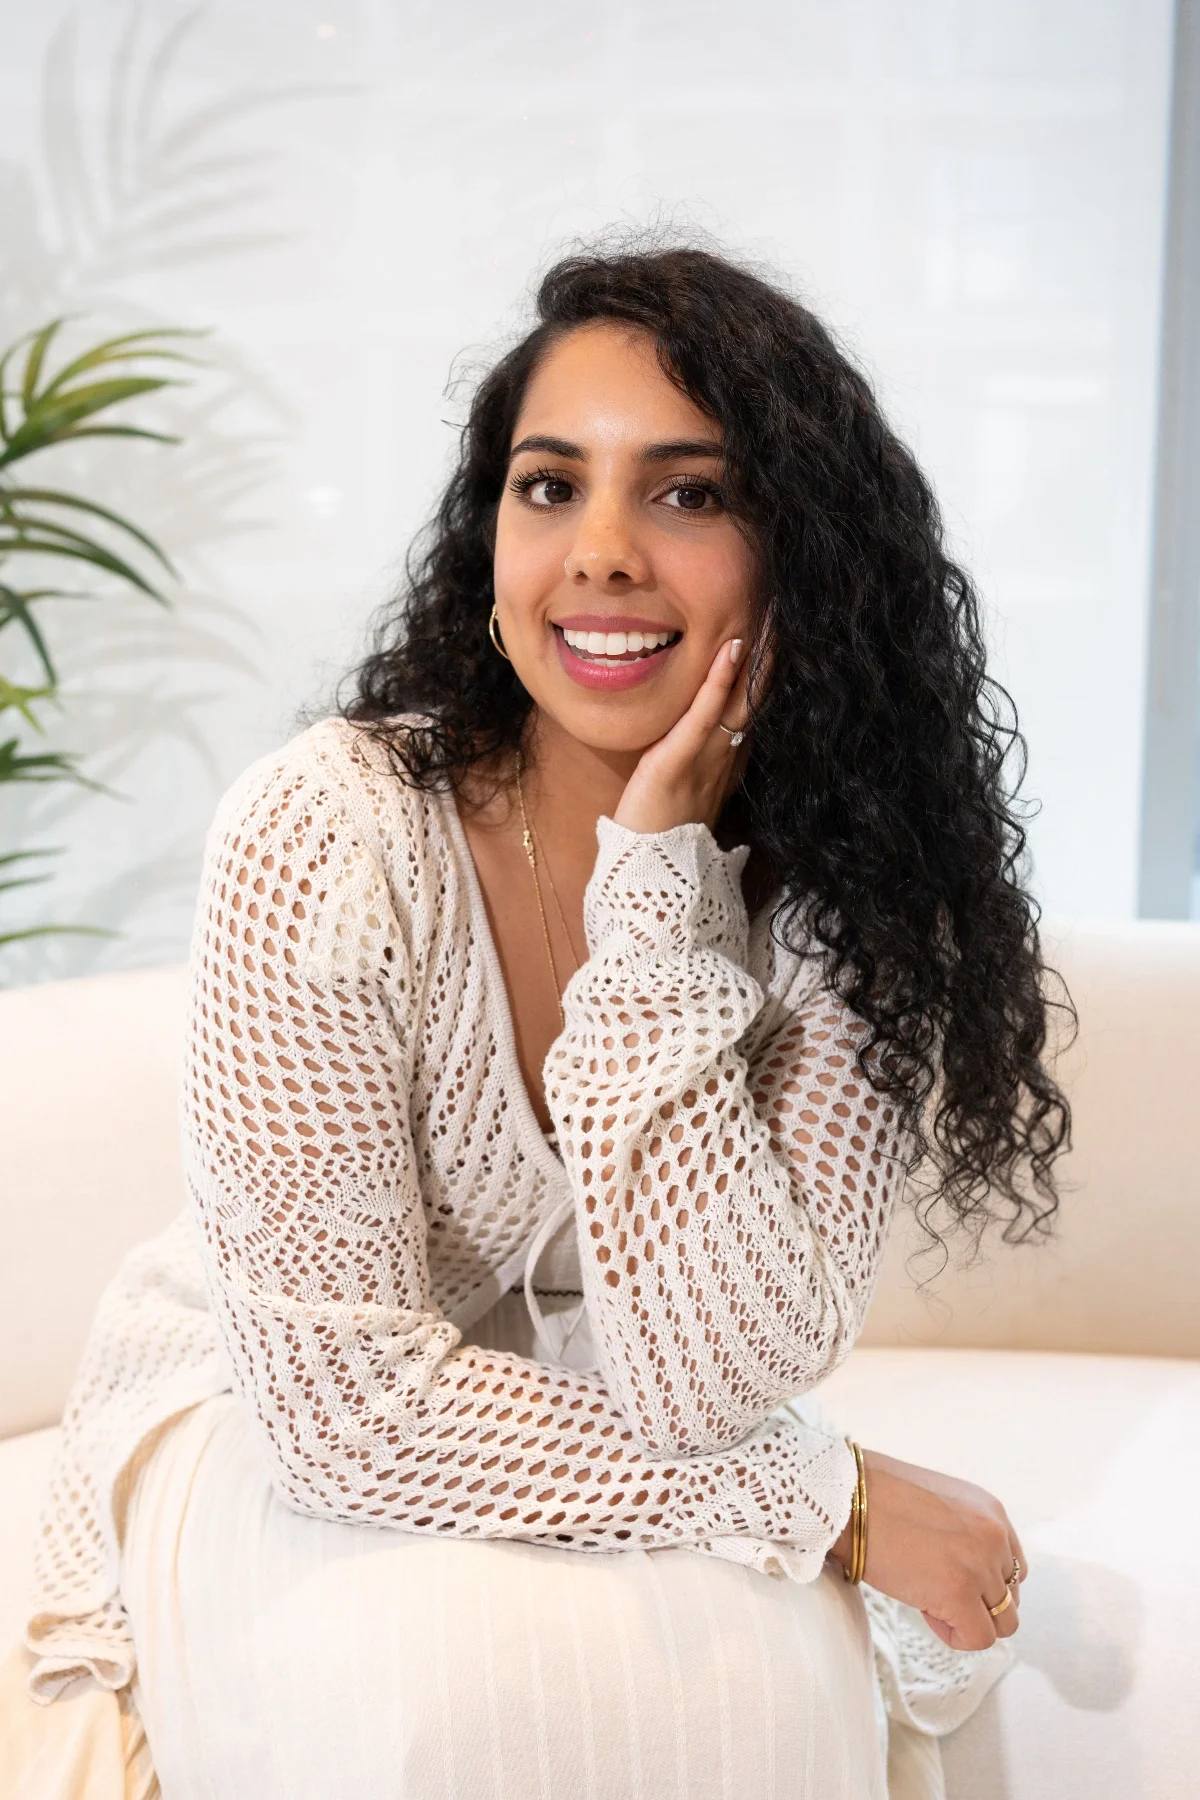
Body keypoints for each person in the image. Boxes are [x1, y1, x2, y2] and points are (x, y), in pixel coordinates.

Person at [16, 243, 1070, 1800]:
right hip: (275, 1411)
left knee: (756, 1701)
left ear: (808, 556)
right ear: (490, 531)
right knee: (451, 1708)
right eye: (549, 485)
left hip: (626, 1426)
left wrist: (658, 896)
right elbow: (345, 1410)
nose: (603, 553)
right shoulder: (330, 831)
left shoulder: (856, 897)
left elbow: (716, 1378)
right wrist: (832, 1496)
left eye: (691, 493)